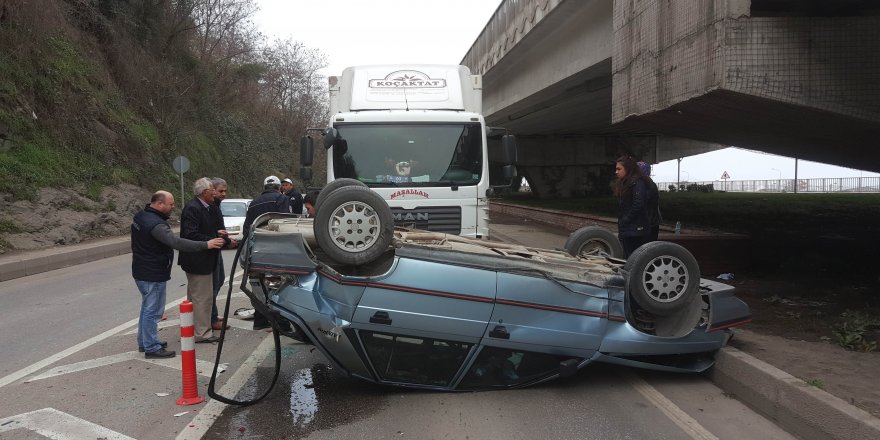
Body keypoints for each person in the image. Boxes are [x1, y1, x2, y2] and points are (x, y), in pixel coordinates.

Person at [131, 191, 225, 358]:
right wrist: (206, 244)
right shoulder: (156, 225)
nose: (173, 207)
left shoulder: (142, 216)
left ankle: (145, 342)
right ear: (159, 204)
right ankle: (151, 347)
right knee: (153, 311)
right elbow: (176, 242)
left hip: (143, 269)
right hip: (152, 272)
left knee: (147, 308)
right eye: (171, 204)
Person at [178, 177, 226, 343]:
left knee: (196, 297)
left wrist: (220, 236)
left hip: (204, 260)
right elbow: (189, 234)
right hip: (197, 261)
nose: (215, 192)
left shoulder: (207, 207)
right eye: (213, 189)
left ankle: (191, 327)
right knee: (202, 298)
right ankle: (202, 333)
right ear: (205, 192)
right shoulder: (192, 208)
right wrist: (210, 241)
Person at [242, 176, 292, 331]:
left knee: (258, 286)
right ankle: (280, 323)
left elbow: (246, 228)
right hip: (275, 249)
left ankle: (260, 320)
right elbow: (286, 223)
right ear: (279, 187)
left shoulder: (254, 203)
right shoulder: (282, 199)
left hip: (257, 250)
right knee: (277, 285)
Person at [209, 177, 237, 331]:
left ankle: (212, 315)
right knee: (212, 285)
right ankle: (211, 318)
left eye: (225, 191)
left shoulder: (216, 206)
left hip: (216, 250)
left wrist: (227, 239)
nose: (223, 194)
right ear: (211, 190)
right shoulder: (209, 207)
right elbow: (210, 230)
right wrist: (226, 241)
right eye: (220, 191)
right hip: (209, 251)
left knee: (219, 281)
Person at [614, 156, 651, 258]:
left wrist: (626, 219)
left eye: (619, 169)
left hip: (635, 230)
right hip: (628, 228)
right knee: (626, 256)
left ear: (628, 169)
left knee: (633, 258)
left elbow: (638, 204)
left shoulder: (638, 183)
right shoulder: (626, 183)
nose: (616, 172)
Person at [638, 161, 662, 242]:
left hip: (648, 224)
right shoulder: (649, 183)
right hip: (651, 222)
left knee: (645, 249)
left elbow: (640, 204)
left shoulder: (646, 184)